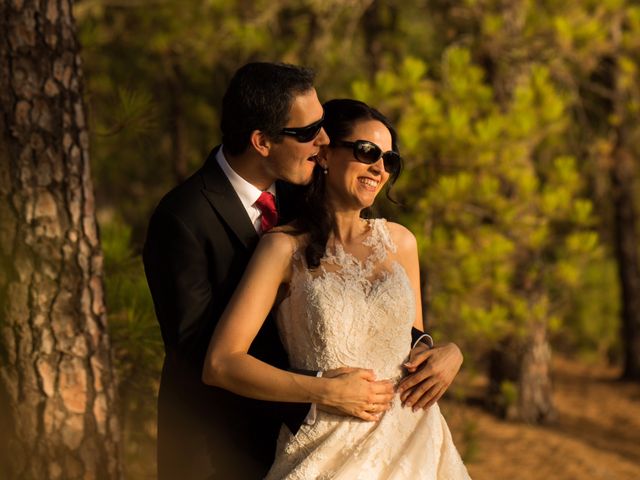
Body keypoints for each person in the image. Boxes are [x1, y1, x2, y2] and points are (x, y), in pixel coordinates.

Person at [144, 61, 461, 480]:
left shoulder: (303, 190)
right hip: (222, 441)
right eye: (310, 133)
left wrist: (444, 351)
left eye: (390, 159)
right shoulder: (184, 217)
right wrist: (323, 390)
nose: (322, 141)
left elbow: (393, 325)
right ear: (262, 142)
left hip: (404, 442)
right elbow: (202, 358)